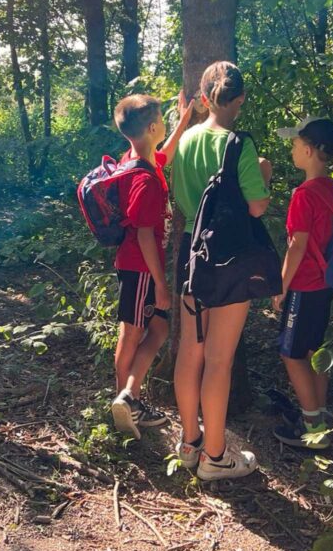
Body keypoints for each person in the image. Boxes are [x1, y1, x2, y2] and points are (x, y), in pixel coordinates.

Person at [171, 61, 272, 480]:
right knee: (218, 359)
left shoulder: (185, 140)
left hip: (191, 258)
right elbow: (257, 206)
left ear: (205, 96)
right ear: (240, 99)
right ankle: (216, 457)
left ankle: (189, 443)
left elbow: (177, 194)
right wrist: (265, 174)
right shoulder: (238, 144)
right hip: (228, 262)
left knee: (189, 353)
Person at [109, 93, 193, 440]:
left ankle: (129, 397)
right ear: (153, 126)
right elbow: (145, 235)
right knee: (133, 333)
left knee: (157, 330)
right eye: (163, 120)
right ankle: (126, 401)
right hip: (140, 267)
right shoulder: (144, 179)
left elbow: (165, 153)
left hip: (139, 266)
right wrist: (160, 284)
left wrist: (185, 117)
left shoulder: (136, 160)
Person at [270, 117, 333, 449]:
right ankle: (318, 416)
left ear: (309, 150)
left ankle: (313, 429)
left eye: (295, 144)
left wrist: (281, 285)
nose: (291, 150)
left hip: (305, 285)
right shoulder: (331, 190)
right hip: (326, 283)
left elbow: (296, 244)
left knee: (291, 353)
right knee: (314, 350)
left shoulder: (304, 194)